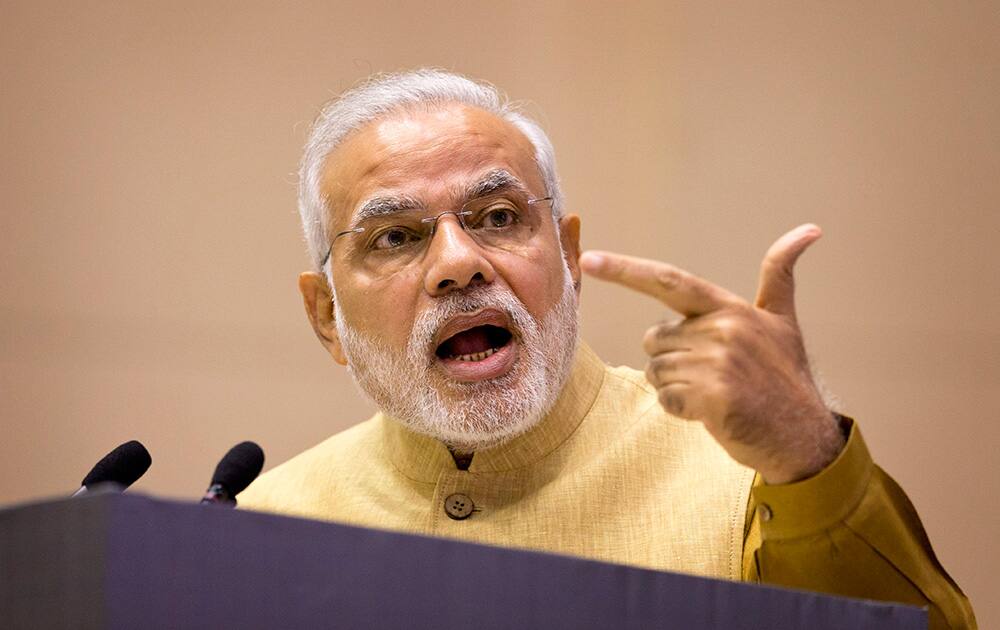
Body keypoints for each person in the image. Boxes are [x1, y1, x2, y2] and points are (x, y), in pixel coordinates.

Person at [239, 69, 976, 629]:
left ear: (566, 256)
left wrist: (807, 453)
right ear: (326, 313)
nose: (460, 263)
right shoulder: (260, 526)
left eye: (497, 217)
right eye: (396, 236)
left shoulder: (749, 482)